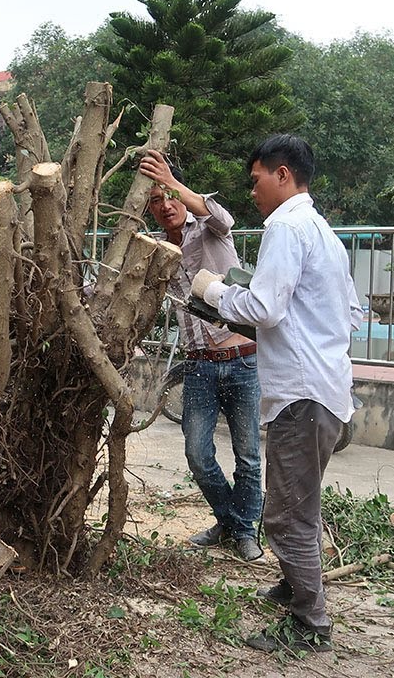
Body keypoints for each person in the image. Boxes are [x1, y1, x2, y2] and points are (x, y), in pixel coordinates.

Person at [192, 134, 363, 653]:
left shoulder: (286, 228)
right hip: (326, 389)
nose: (254, 191)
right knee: (301, 503)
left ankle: (310, 626)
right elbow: (350, 312)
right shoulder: (321, 231)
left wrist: (213, 290)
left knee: (287, 514)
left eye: (257, 179)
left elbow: (264, 309)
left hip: (301, 397)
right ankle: (295, 587)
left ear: (282, 174)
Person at [138, 149, 264, 564]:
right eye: (155, 201)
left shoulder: (211, 230)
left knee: (247, 456)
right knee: (197, 452)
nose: (165, 206)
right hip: (198, 364)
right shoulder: (155, 249)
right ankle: (232, 522)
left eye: (168, 196)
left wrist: (173, 182)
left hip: (242, 357)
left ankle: (241, 531)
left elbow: (223, 217)